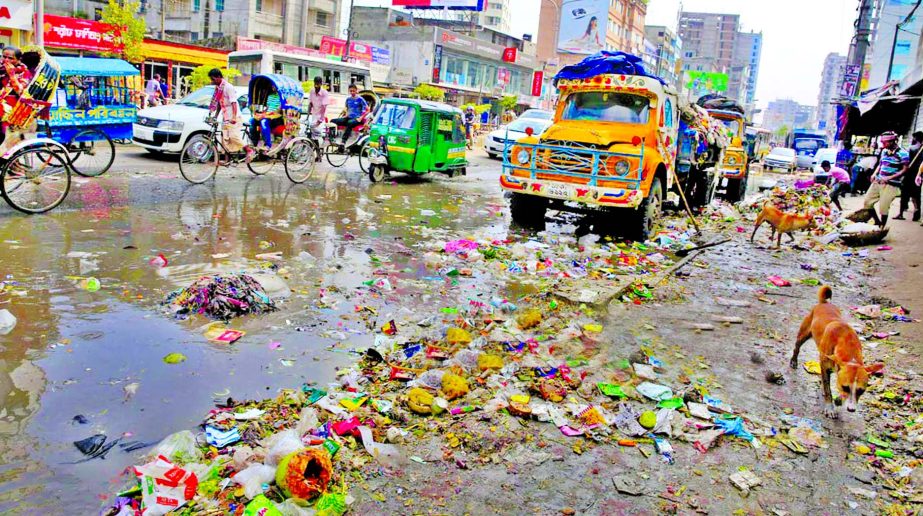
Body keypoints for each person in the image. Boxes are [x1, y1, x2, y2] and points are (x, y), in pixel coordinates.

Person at [863, 131, 909, 227]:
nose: (883, 145)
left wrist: (889, 177)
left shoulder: (903, 153)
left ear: (893, 141)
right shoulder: (884, 151)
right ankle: (877, 221)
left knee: (883, 208)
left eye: (885, 142)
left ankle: (882, 227)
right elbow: (880, 164)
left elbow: (905, 170)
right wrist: (874, 174)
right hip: (878, 181)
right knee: (867, 202)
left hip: (891, 184)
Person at [207, 68, 253, 161]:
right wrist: (215, 116)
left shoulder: (228, 87)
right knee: (225, 138)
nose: (212, 81)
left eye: (213, 79)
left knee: (233, 136)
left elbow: (234, 103)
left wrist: (234, 117)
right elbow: (220, 104)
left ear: (219, 77)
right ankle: (227, 159)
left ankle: (249, 150)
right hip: (225, 117)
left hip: (234, 117)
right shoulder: (218, 88)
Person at [895, 131, 922, 221]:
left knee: (905, 194)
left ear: (916, 138)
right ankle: (916, 211)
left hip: (909, 174)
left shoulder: (912, 148)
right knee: (916, 195)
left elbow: (906, 162)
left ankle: (901, 213)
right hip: (919, 175)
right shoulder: (920, 148)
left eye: (913, 137)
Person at [250, 88, 285, 155]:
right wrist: (262, 113)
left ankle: (268, 145)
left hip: (276, 117)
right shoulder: (270, 96)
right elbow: (268, 108)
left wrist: (266, 115)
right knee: (252, 121)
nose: (273, 87)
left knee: (263, 122)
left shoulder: (282, 96)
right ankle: (254, 143)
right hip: (267, 115)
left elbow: (279, 109)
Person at [307, 76, 330, 162]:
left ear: (321, 84)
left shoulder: (324, 93)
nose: (316, 86)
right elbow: (310, 104)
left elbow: (324, 107)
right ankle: (316, 152)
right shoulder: (312, 91)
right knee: (310, 135)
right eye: (315, 83)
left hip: (321, 116)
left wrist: (320, 120)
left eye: (318, 84)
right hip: (313, 115)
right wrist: (308, 115)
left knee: (316, 136)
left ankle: (319, 154)